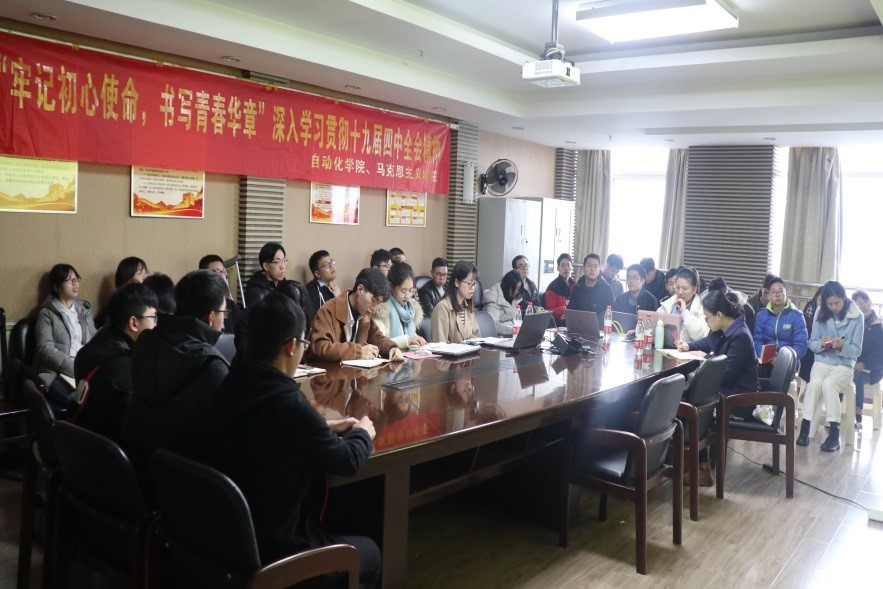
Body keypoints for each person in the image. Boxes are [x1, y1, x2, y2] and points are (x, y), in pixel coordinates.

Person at [208, 292, 380, 587]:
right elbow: (347, 460)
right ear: (291, 346)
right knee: (372, 554)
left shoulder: (230, 384)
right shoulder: (288, 404)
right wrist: (363, 432)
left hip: (232, 537)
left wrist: (324, 427)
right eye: (303, 343)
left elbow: (279, 433)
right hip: (282, 547)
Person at [123, 270, 231, 466]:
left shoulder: (146, 341)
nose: (225, 319)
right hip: (189, 474)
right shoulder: (213, 367)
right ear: (211, 317)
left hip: (138, 462)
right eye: (224, 312)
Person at [676, 290, 758, 485]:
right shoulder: (726, 329)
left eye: (707, 317)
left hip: (739, 401)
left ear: (719, 315)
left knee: (694, 407)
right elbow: (708, 342)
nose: (706, 322)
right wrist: (689, 346)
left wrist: (706, 358)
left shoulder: (740, 336)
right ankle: (687, 460)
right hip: (726, 393)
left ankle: (701, 468)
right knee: (686, 398)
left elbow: (726, 375)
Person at [73, 283, 158, 444]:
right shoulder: (126, 369)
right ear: (134, 323)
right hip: (108, 452)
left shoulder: (95, 345)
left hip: (82, 442)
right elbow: (137, 430)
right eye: (154, 317)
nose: (156, 325)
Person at [796, 280, 863, 452]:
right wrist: (822, 344)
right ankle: (805, 429)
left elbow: (856, 350)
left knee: (829, 384)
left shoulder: (857, 316)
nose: (833, 307)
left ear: (844, 298)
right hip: (822, 361)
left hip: (844, 365)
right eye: (829, 303)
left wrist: (841, 346)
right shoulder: (820, 312)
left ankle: (834, 434)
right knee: (814, 384)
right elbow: (812, 343)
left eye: (836, 303)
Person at [35, 263, 97, 409]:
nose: (75, 283)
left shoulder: (84, 310)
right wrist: (75, 367)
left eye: (76, 278)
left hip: (84, 369)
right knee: (79, 401)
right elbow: (45, 349)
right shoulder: (46, 313)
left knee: (103, 396)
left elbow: (94, 340)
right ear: (56, 287)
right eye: (69, 280)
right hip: (55, 373)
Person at [309, 268, 404, 361]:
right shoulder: (328, 310)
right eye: (373, 300)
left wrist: (392, 348)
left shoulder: (365, 315)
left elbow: (377, 338)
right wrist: (358, 352)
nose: (374, 308)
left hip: (352, 371)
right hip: (328, 370)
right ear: (360, 289)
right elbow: (321, 347)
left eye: (378, 304)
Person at [752, 276, 808, 378]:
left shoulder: (797, 316)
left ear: (786, 293)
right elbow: (757, 340)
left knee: (780, 374)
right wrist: (763, 355)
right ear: (769, 296)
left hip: (788, 360)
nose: (777, 295)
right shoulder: (761, 315)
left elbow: (801, 345)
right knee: (757, 373)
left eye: (781, 291)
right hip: (766, 359)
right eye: (773, 292)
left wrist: (783, 358)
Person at [372, 262, 426, 350]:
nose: (407, 296)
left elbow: (410, 334)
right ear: (391, 286)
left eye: (411, 291)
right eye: (403, 291)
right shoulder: (383, 310)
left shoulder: (411, 309)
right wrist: (407, 341)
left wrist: (417, 339)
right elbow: (379, 342)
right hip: (389, 356)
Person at [851, 290, 883, 428]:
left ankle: (857, 417)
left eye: (865, 302)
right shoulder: (853, 323)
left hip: (874, 369)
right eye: (858, 303)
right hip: (853, 365)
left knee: (858, 377)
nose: (863, 305)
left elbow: (880, 354)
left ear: (870, 302)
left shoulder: (879, 324)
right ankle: (836, 415)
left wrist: (864, 363)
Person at [431, 260, 481, 343]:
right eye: (469, 283)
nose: (473, 288)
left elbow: (477, 338)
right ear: (457, 282)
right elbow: (439, 345)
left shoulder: (467, 306)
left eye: (474, 284)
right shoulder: (442, 308)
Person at [658, 266, 709, 343]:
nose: (680, 292)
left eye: (684, 289)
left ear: (694, 289)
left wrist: (685, 312)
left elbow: (699, 336)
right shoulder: (666, 305)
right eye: (677, 287)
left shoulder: (701, 310)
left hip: (688, 350)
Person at [199, 253, 238, 332]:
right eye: (216, 272)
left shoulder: (231, 305)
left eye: (223, 271)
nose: (222, 275)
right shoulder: (198, 305)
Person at [567, 253, 614, 318]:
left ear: (599, 270)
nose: (592, 269)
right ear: (583, 269)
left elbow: (610, 315)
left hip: (600, 324)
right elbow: (571, 313)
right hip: (579, 324)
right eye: (589, 265)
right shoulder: (576, 289)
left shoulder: (607, 290)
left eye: (595, 266)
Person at [244, 242, 288, 307]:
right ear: (266, 266)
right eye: (277, 262)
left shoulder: (285, 285)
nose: (282, 267)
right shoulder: (255, 291)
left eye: (283, 261)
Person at [482, 270, 524, 336]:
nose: (516, 291)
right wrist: (513, 330)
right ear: (507, 286)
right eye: (514, 288)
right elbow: (494, 325)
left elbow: (514, 321)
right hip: (496, 337)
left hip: (509, 335)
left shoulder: (514, 298)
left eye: (518, 288)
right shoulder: (493, 298)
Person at [799, 286, 824, 384]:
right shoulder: (810, 306)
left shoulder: (830, 310)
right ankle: (807, 383)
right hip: (810, 341)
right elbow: (805, 327)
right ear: (817, 297)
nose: (822, 302)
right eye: (820, 299)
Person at [544, 253, 576, 325]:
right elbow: (549, 312)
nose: (566, 268)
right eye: (563, 265)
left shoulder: (575, 286)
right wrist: (565, 309)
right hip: (558, 324)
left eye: (568, 265)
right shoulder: (552, 287)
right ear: (558, 268)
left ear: (572, 267)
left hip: (574, 321)